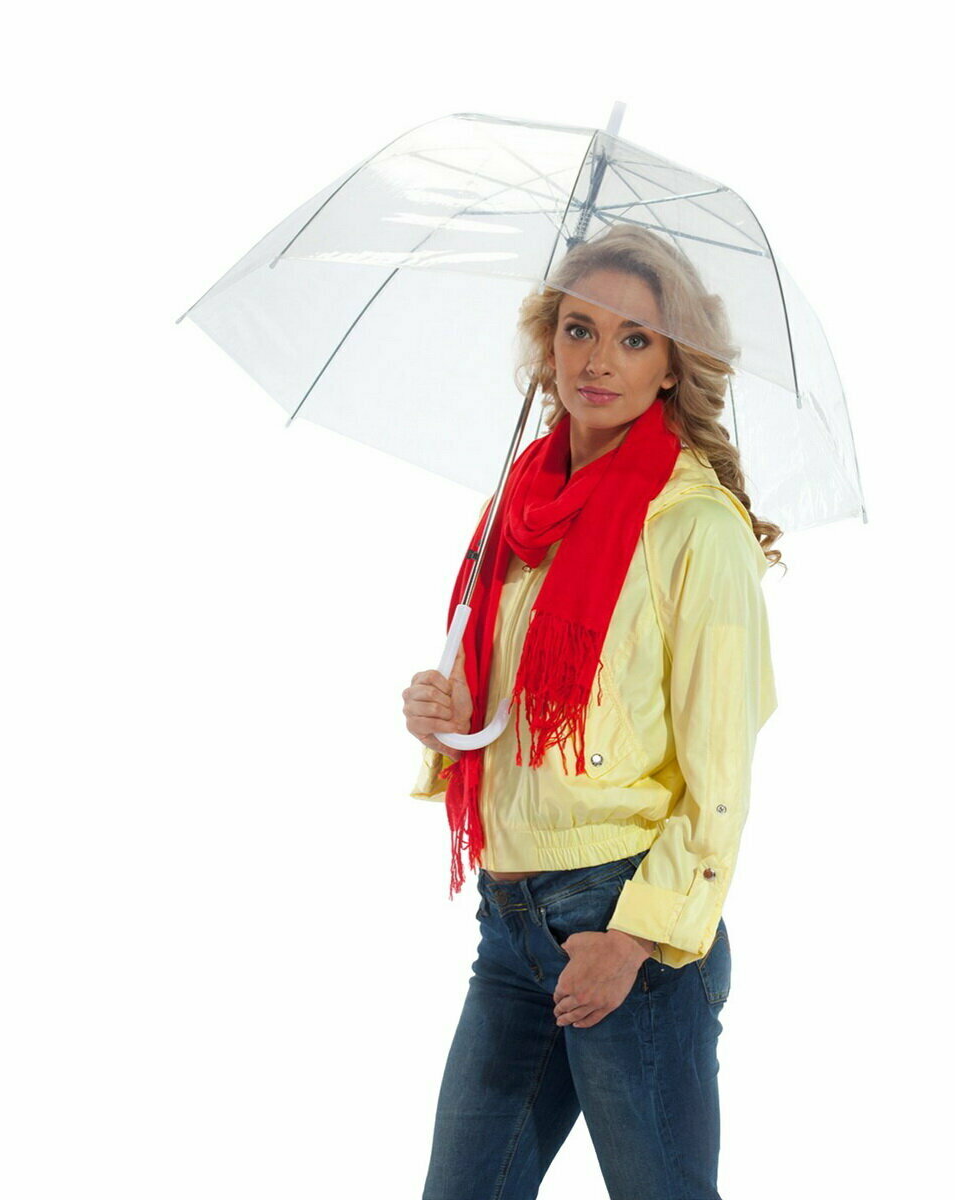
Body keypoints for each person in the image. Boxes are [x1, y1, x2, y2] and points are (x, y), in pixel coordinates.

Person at [401, 225, 781, 1200]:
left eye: (633, 338)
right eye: (579, 329)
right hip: (510, 923)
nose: (597, 359)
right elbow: (520, 713)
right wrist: (450, 715)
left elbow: (720, 778)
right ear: (549, 343)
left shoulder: (697, 529)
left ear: (672, 366)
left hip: (624, 922)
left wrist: (635, 940)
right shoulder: (522, 506)